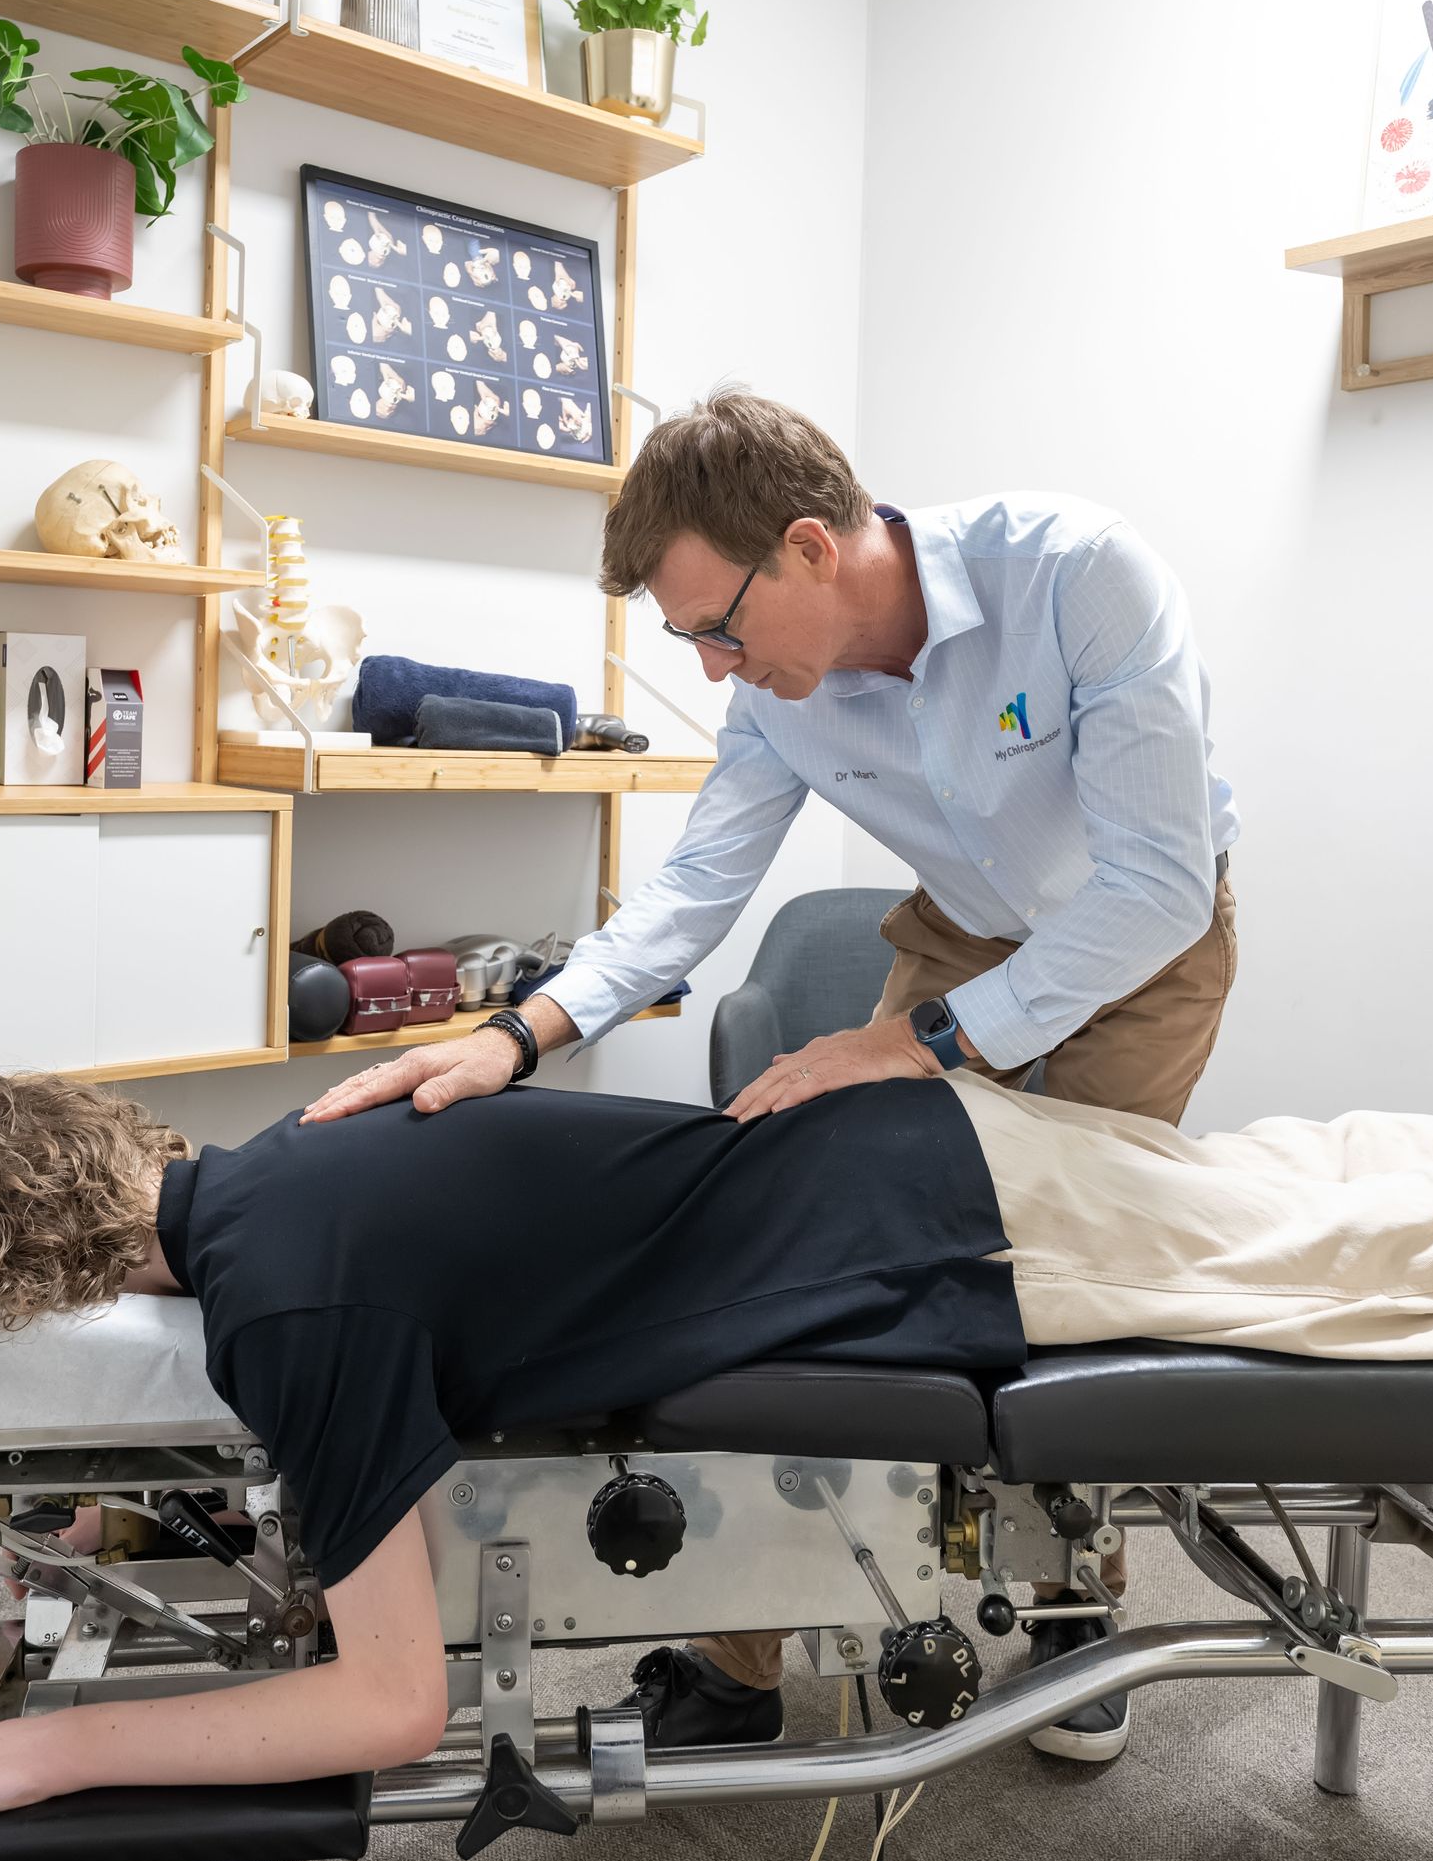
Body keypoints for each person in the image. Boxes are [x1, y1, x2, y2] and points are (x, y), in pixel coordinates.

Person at [0, 1066, 1433, 1861]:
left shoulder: (288, 1307)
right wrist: (108, 1518)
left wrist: (40, 1751)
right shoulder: (277, 1179)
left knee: (1426, 1264)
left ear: (44, 1279)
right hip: (925, 1166)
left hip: (960, 1237)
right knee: (1368, 1206)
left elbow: (385, 1704)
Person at [301, 392, 1240, 1759]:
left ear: (810, 546)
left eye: (717, 628)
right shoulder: (777, 699)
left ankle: (1065, 1595)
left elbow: (1156, 887)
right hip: (966, 928)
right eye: (689, 643)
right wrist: (519, 1034)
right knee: (832, 1259)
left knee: (1056, 1284)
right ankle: (741, 1654)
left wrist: (906, 1046)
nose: (717, 667)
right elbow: (692, 891)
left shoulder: (1080, 574)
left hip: (1144, 943)